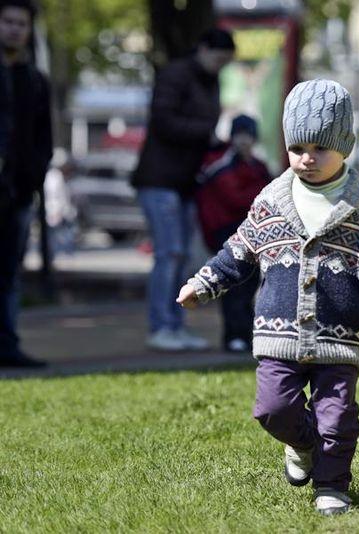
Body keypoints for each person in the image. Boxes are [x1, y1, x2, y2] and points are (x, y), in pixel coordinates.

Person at [176, 79, 359, 515]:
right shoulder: (272, 199)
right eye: (297, 147)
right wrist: (204, 282)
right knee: (273, 409)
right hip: (278, 333)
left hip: (339, 337)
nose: (307, 158)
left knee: (336, 416)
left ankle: (332, 484)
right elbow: (240, 249)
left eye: (320, 148)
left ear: (345, 146)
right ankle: (302, 445)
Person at [131, 27, 235, 352]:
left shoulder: (209, 80)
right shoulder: (176, 75)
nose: (220, 66)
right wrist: (209, 132)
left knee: (185, 256)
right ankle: (161, 326)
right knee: (169, 253)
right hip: (160, 179)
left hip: (187, 182)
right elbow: (163, 120)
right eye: (218, 59)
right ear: (203, 49)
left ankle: (175, 326)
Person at [0, 0, 52, 368]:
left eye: (21, 23)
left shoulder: (35, 81)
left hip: (17, 193)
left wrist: (32, 178)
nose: (15, 29)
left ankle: (7, 345)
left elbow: (43, 140)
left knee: (8, 273)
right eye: (7, 21)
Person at [195, 114, 271, 352]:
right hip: (226, 230)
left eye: (248, 136)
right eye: (240, 135)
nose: (244, 141)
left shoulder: (257, 166)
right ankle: (233, 336)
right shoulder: (220, 163)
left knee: (250, 285)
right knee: (233, 285)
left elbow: (270, 195)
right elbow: (236, 198)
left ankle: (245, 334)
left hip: (252, 232)